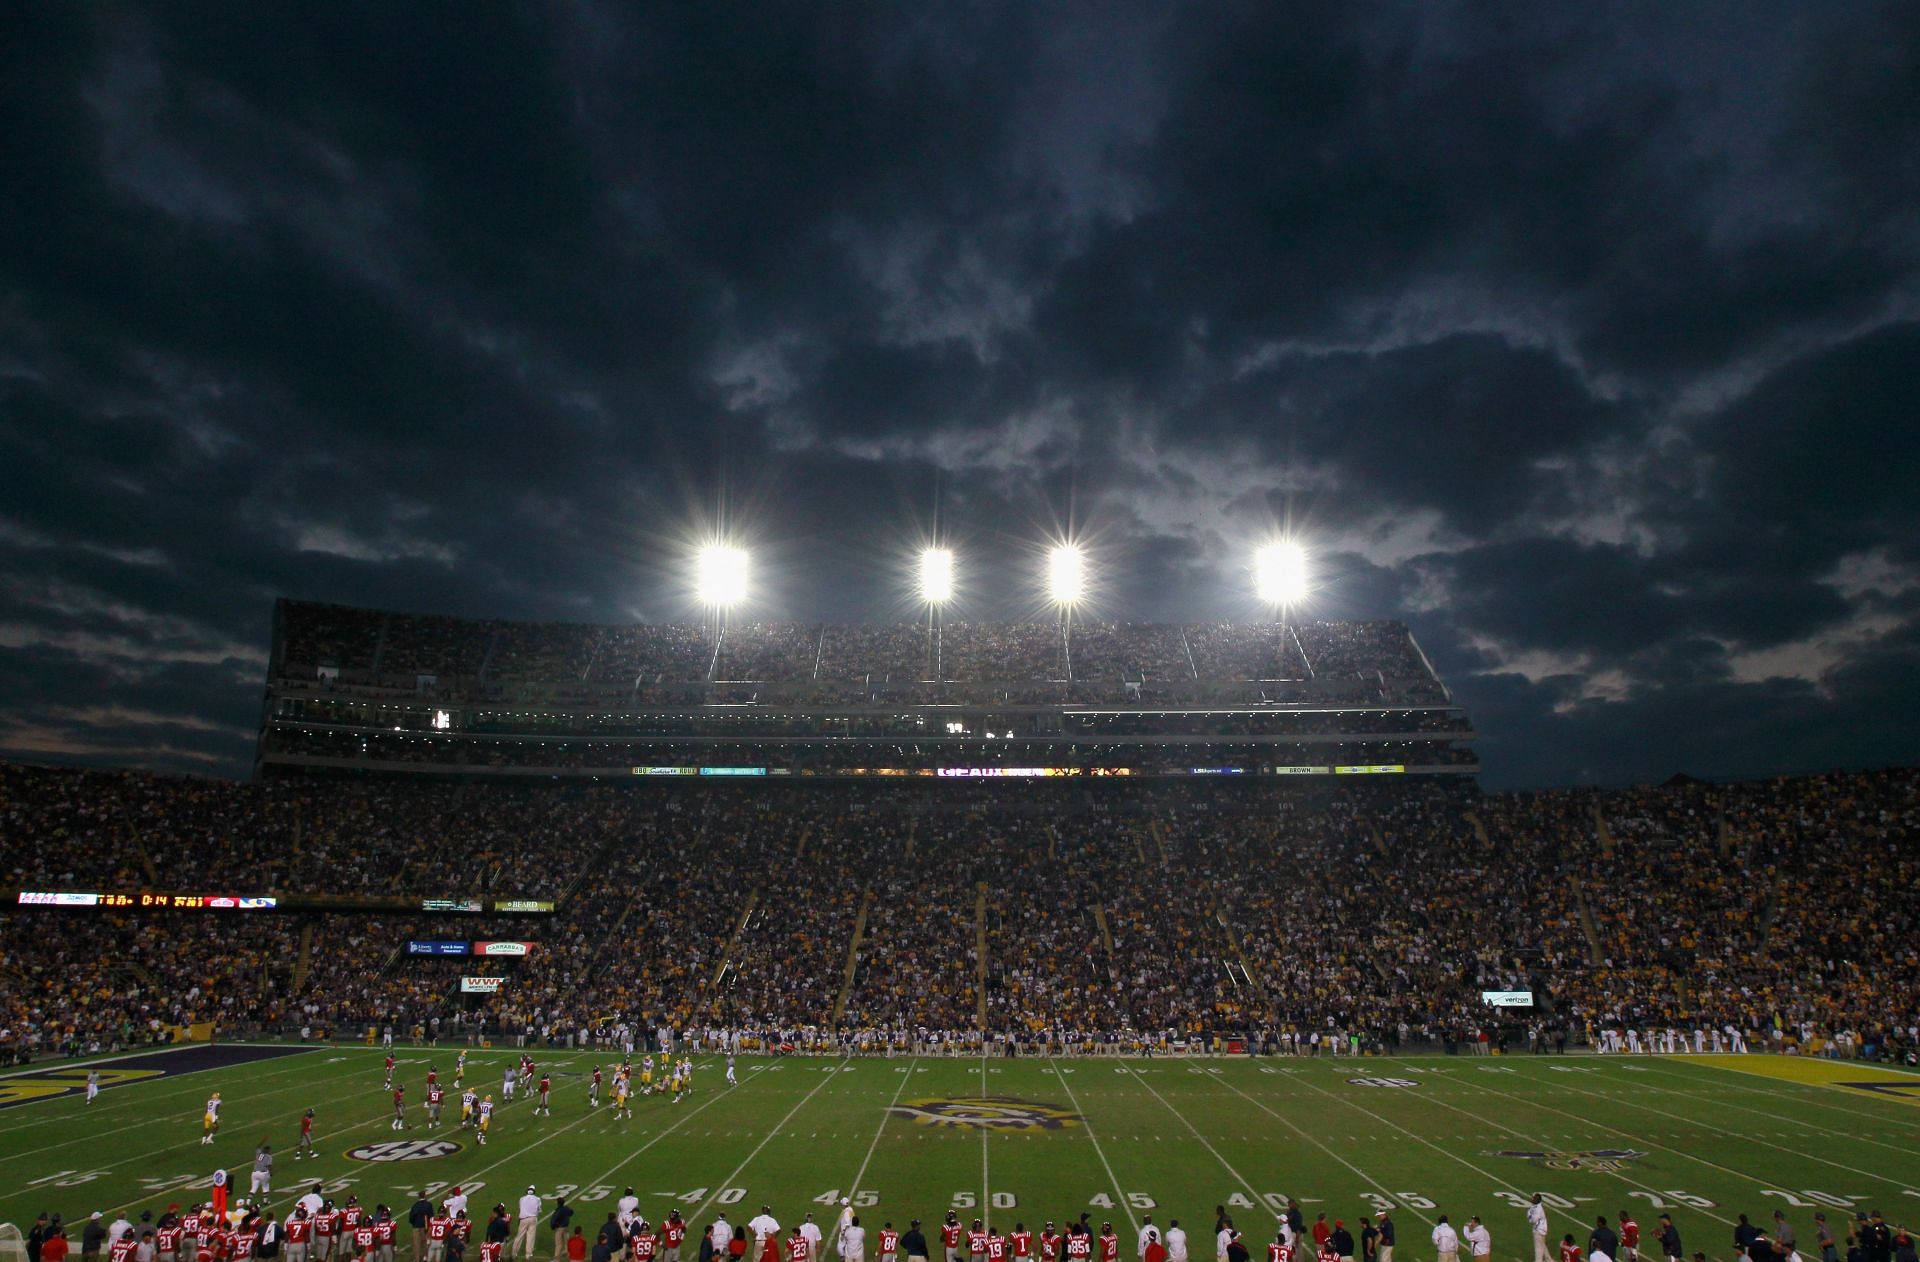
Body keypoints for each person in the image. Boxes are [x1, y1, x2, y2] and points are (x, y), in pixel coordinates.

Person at [517, 1192, 542, 1262]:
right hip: (532, 1218)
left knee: (519, 1236)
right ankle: (528, 1254)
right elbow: (539, 1210)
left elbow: (520, 1209)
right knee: (530, 1237)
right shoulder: (536, 1199)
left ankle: (514, 1253)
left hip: (523, 1219)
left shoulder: (522, 1199)